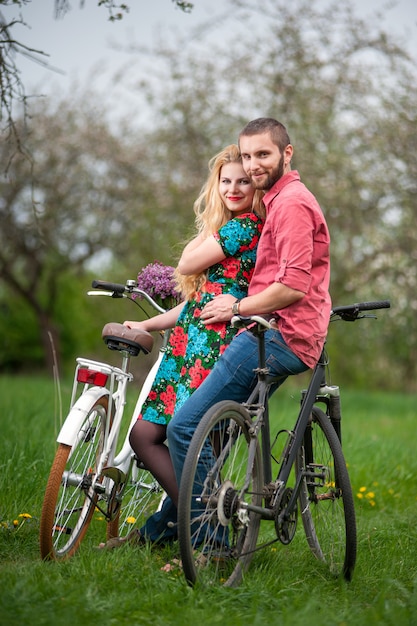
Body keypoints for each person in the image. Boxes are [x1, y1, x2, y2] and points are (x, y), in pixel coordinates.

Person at [136, 117, 332, 545]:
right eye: (247, 155)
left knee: (185, 428)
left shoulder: (292, 203)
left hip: (277, 335)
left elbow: (295, 283)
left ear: (287, 153)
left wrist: (238, 307)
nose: (254, 165)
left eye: (262, 154)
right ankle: (157, 533)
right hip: (270, 331)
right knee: (202, 431)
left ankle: (214, 544)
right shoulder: (276, 203)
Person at [99, 144, 265, 549]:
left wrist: (208, 229)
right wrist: (148, 322)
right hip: (189, 346)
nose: (233, 188)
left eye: (243, 181)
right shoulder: (229, 227)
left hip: (212, 350)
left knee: (164, 439)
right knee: (154, 438)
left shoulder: (242, 227)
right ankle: (185, 524)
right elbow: (196, 303)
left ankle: (203, 528)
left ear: (256, 187)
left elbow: (187, 265)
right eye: (225, 181)